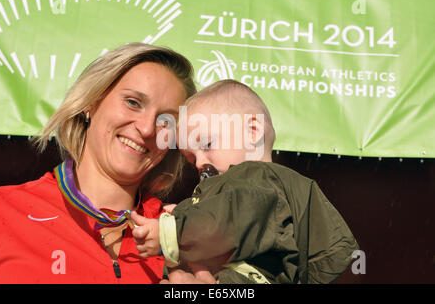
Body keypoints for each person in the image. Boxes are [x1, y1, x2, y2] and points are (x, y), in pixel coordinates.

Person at [0, 42, 196, 283]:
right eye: (133, 102)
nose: (147, 128)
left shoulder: (185, 235)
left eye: (166, 120)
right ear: (90, 102)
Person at [130, 79, 359, 284]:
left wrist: (171, 231)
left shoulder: (255, 176)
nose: (200, 162)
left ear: (252, 132)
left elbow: (231, 215)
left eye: (207, 144)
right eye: (191, 159)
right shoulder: (265, 188)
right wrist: (187, 210)